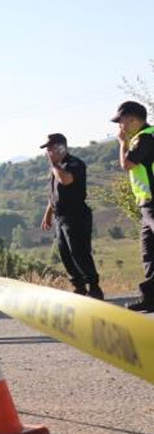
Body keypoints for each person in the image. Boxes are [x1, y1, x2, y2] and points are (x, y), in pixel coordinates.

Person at [40, 133, 103, 299]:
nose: (48, 152)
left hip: (76, 214)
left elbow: (66, 180)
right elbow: (54, 193)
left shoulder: (73, 163)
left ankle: (94, 287)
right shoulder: (57, 167)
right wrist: (48, 214)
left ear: (61, 147)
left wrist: (54, 165)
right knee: (65, 253)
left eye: (51, 148)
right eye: (47, 149)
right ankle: (79, 287)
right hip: (60, 217)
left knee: (79, 252)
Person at [112, 101, 154, 312]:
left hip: (153, 201)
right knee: (149, 252)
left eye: (122, 122)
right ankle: (151, 298)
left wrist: (122, 143)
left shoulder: (145, 138)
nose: (121, 127)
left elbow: (126, 164)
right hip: (146, 203)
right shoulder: (145, 136)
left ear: (134, 119)